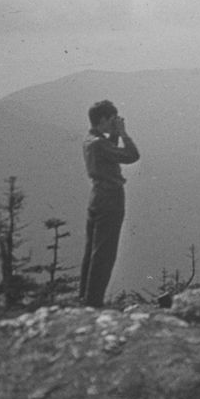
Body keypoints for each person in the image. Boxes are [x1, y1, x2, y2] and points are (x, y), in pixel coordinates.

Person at [79, 100, 140, 308]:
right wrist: (123, 133)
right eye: (112, 119)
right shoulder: (99, 143)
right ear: (103, 119)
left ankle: (85, 298)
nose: (115, 122)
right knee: (105, 253)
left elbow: (109, 151)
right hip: (111, 198)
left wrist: (113, 134)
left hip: (96, 196)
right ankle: (94, 303)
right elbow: (132, 155)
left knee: (92, 251)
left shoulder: (91, 140)